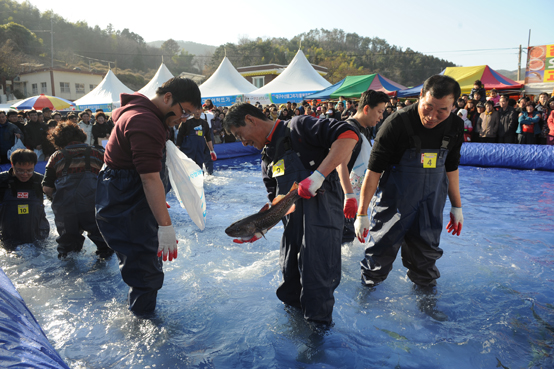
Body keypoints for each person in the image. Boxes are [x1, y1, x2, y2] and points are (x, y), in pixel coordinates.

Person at [222, 103, 358, 325]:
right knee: (290, 286)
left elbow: (349, 135)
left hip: (322, 226)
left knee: (317, 288)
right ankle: (295, 334)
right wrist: (260, 227)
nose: (243, 142)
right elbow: (273, 204)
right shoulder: (267, 157)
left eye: (240, 134)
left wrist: (318, 176)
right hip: (292, 231)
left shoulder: (300, 126)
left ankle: (317, 346)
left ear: (251, 119)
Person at [354, 75, 464, 320]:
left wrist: (457, 206)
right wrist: (361, 214)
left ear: (453, 105)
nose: (432, 116)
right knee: (378, 256)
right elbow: (373, 173)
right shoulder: (396, 124)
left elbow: (452, 167)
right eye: (428, 107)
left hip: (431, 205)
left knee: (426, 257)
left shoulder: (455, 126)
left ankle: (427, 309)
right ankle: (365, 306)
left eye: (442, 110)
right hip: (394, 204)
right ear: (420, 96)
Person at [95, 77, 201, 316]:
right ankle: (143, 325)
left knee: (142, 266)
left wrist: (155, 201)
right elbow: (148, 178)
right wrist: (166, 226)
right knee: (145, 270)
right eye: (183, 112)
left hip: (125, 194)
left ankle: (141, 313)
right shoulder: (145, 121)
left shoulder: (142, 113)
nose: (182, 120)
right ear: (167, 97)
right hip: (125, 202)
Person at [42, 122, 112, 259]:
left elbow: (47, 188)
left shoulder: (56, 157)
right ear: (81, 136)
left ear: (58, 139)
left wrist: (59, 199)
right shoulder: (98, 153)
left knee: (67, 252)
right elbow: (112, 181)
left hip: (65, 210)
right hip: (93, 208)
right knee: (105, 249)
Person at [336, 90, 389, 243]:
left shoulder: (363, 129)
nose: (381, 117)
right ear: (366, 109)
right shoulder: (349, 129)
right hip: (343, 196)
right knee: (345, 239)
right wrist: (349, 196)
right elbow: (340, 164)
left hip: (350, 194)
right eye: (379, 112)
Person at [0, 149, 50, 248]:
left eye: (29, 170)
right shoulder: (2, 181)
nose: (25, 174)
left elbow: (58, 202)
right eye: (20, 170)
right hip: (8, 236)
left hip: (37, 237)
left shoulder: (41, 181)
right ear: (12, 165)